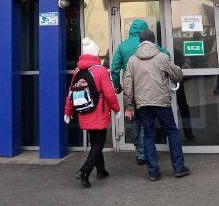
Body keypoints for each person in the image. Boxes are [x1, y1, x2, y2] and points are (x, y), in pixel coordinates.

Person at [123, 29, 189, 181]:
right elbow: (177, 76)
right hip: (161, 102)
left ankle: (153, 172)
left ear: (140, 42)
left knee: (148, 135)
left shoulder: (132, 60)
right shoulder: (162, 57)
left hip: (142, 104)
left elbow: (127, 85)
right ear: (154, 41)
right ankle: (179, 168)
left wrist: (130, 106)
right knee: (172, 132)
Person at [110, 20, 169, 165]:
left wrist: (117, 86)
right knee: (147, 121)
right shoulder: (150, 45)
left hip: (131, 88)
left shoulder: (123, 46)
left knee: (135, 120)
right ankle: (147, 152)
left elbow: (114, 69)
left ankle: (140, 153)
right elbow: (166, 55)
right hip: (149, 88)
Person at [64, 38, 120, 188]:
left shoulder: (77, 71)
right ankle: (84, 171)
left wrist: (68, 112)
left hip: (84, 111)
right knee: (99, 143)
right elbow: (109, 94)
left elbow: (71, 93)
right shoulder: (100, 70)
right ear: (95, 53)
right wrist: (117, 109)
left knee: (95, 142)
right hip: (99, 111)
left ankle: (101, 170)